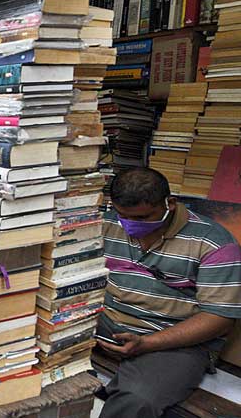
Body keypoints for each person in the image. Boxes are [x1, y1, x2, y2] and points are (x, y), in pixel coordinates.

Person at [96, 167, 241, 418]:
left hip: (172, 339)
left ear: (170, 203)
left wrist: (147, 343)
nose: (132, 226)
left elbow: (219, 318)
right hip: (108, 320)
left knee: (138, 399)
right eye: (124, 217)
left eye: (143, 218)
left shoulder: (214, 243)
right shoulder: (109, 223)